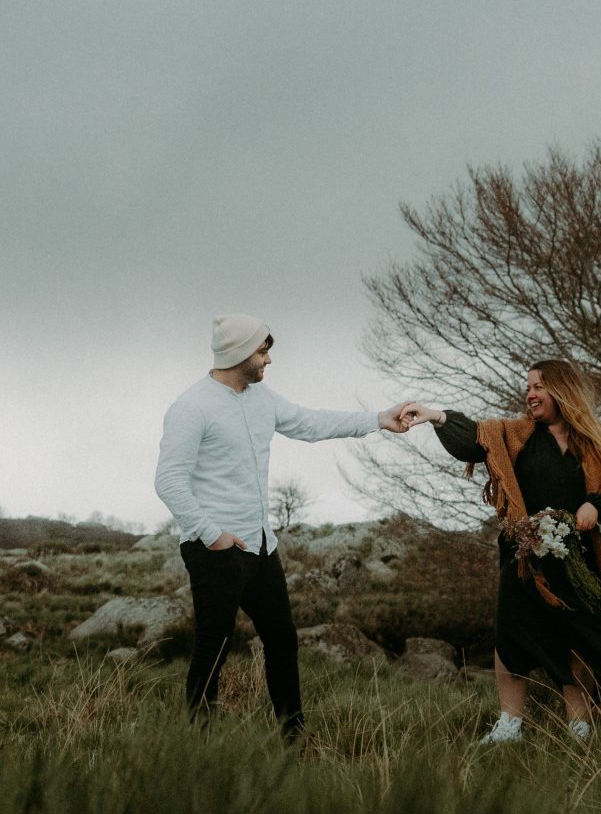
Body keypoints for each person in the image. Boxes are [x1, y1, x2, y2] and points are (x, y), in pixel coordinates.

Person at [153, 313, 426, 739]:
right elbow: (168, 481)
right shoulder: (191, 407)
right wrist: (213, 536)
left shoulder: (263, 400)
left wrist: (378, 420)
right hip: (216, 549)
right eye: (263, 351)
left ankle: (293, 736)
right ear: (241, 353)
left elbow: (311, 423)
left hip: (261, 547)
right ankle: (197, 742)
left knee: (282, 640)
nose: (268, 360)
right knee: (214, 646)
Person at [428, 359, 601, 743]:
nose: (530, 394)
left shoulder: (600, 439)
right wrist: (434, 416)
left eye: (538, 387)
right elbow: (474, 439)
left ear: (563, 391)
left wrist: (594, 505)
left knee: (581, 640)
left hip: (580, 561)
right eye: (528, 386)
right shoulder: (518, 434)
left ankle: (580, 726)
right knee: (511, 638)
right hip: (523, 559)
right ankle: (509, 726)